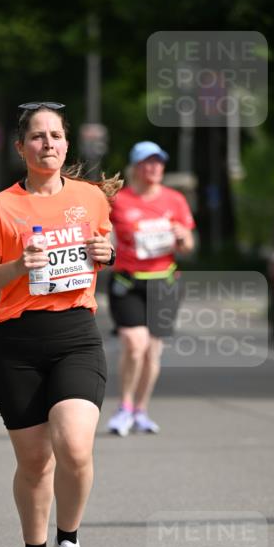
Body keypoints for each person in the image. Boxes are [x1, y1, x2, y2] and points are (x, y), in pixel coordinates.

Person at [0, 102, 119, 547]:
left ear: (67, 144)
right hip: (18, 343)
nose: (47, 143)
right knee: (34, 461)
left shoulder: (90, 198)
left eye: (55, 135)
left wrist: (108, 253)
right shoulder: (0, 207)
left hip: (76, 335)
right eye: (37, 136)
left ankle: (68, 543)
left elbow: (104, 246)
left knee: (74, 445)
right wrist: (17, 268)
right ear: (21, 147)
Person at [106, 141, 195, 437]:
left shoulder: (175, 200)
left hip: (164, 282)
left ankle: (141, 410)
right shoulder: (119, 201)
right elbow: (102, 234)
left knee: (152, 352)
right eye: (148, 162)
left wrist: (182, 237)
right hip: (128, 282)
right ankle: (124, 407)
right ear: (136, 167)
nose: (155, 167)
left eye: (159, 162)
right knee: (135, 344)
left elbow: (188, 246)